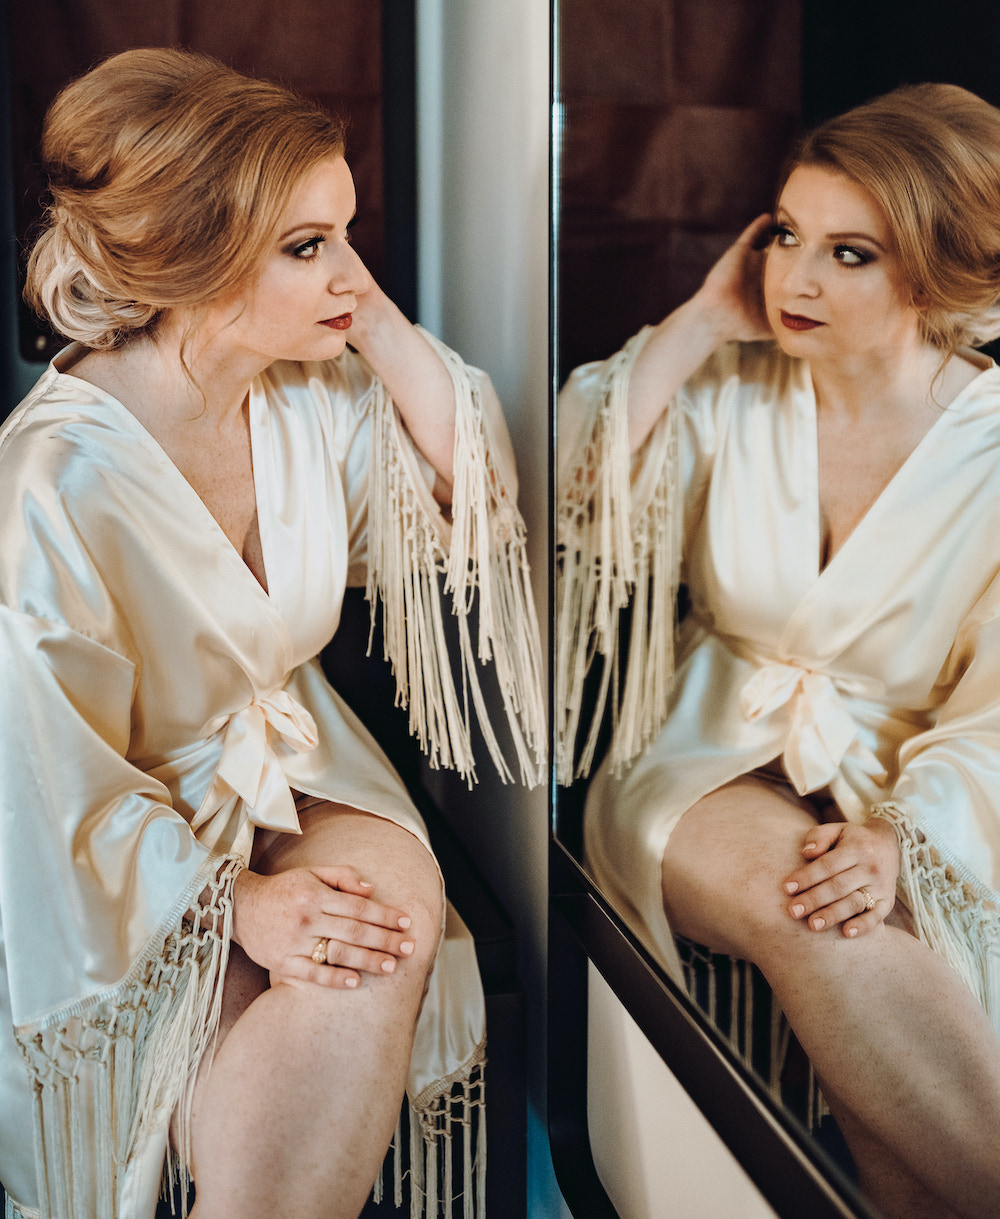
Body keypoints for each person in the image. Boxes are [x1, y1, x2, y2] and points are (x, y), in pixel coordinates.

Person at [0, 47, 544, 1219]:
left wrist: (361, 311)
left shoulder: (313, 394)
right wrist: (234, 905)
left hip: (298, 771)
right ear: (191, 259)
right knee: (266, 1030)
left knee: (378, 936)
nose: (350, 272)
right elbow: (47, 780)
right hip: (103, 841)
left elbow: (470, 484)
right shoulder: (51, 479)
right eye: (307, 245)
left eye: (346, 231)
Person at [558, 83, 1000, 1219]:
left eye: (849, 252)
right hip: (701, 758)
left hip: (918, 789)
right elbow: (564, 485)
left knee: (877, 927)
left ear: (948, 269)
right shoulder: (731, 388)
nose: (795, 279)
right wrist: (702, 321)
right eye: (787, 235)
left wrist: (905, 838)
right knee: (822, 920)